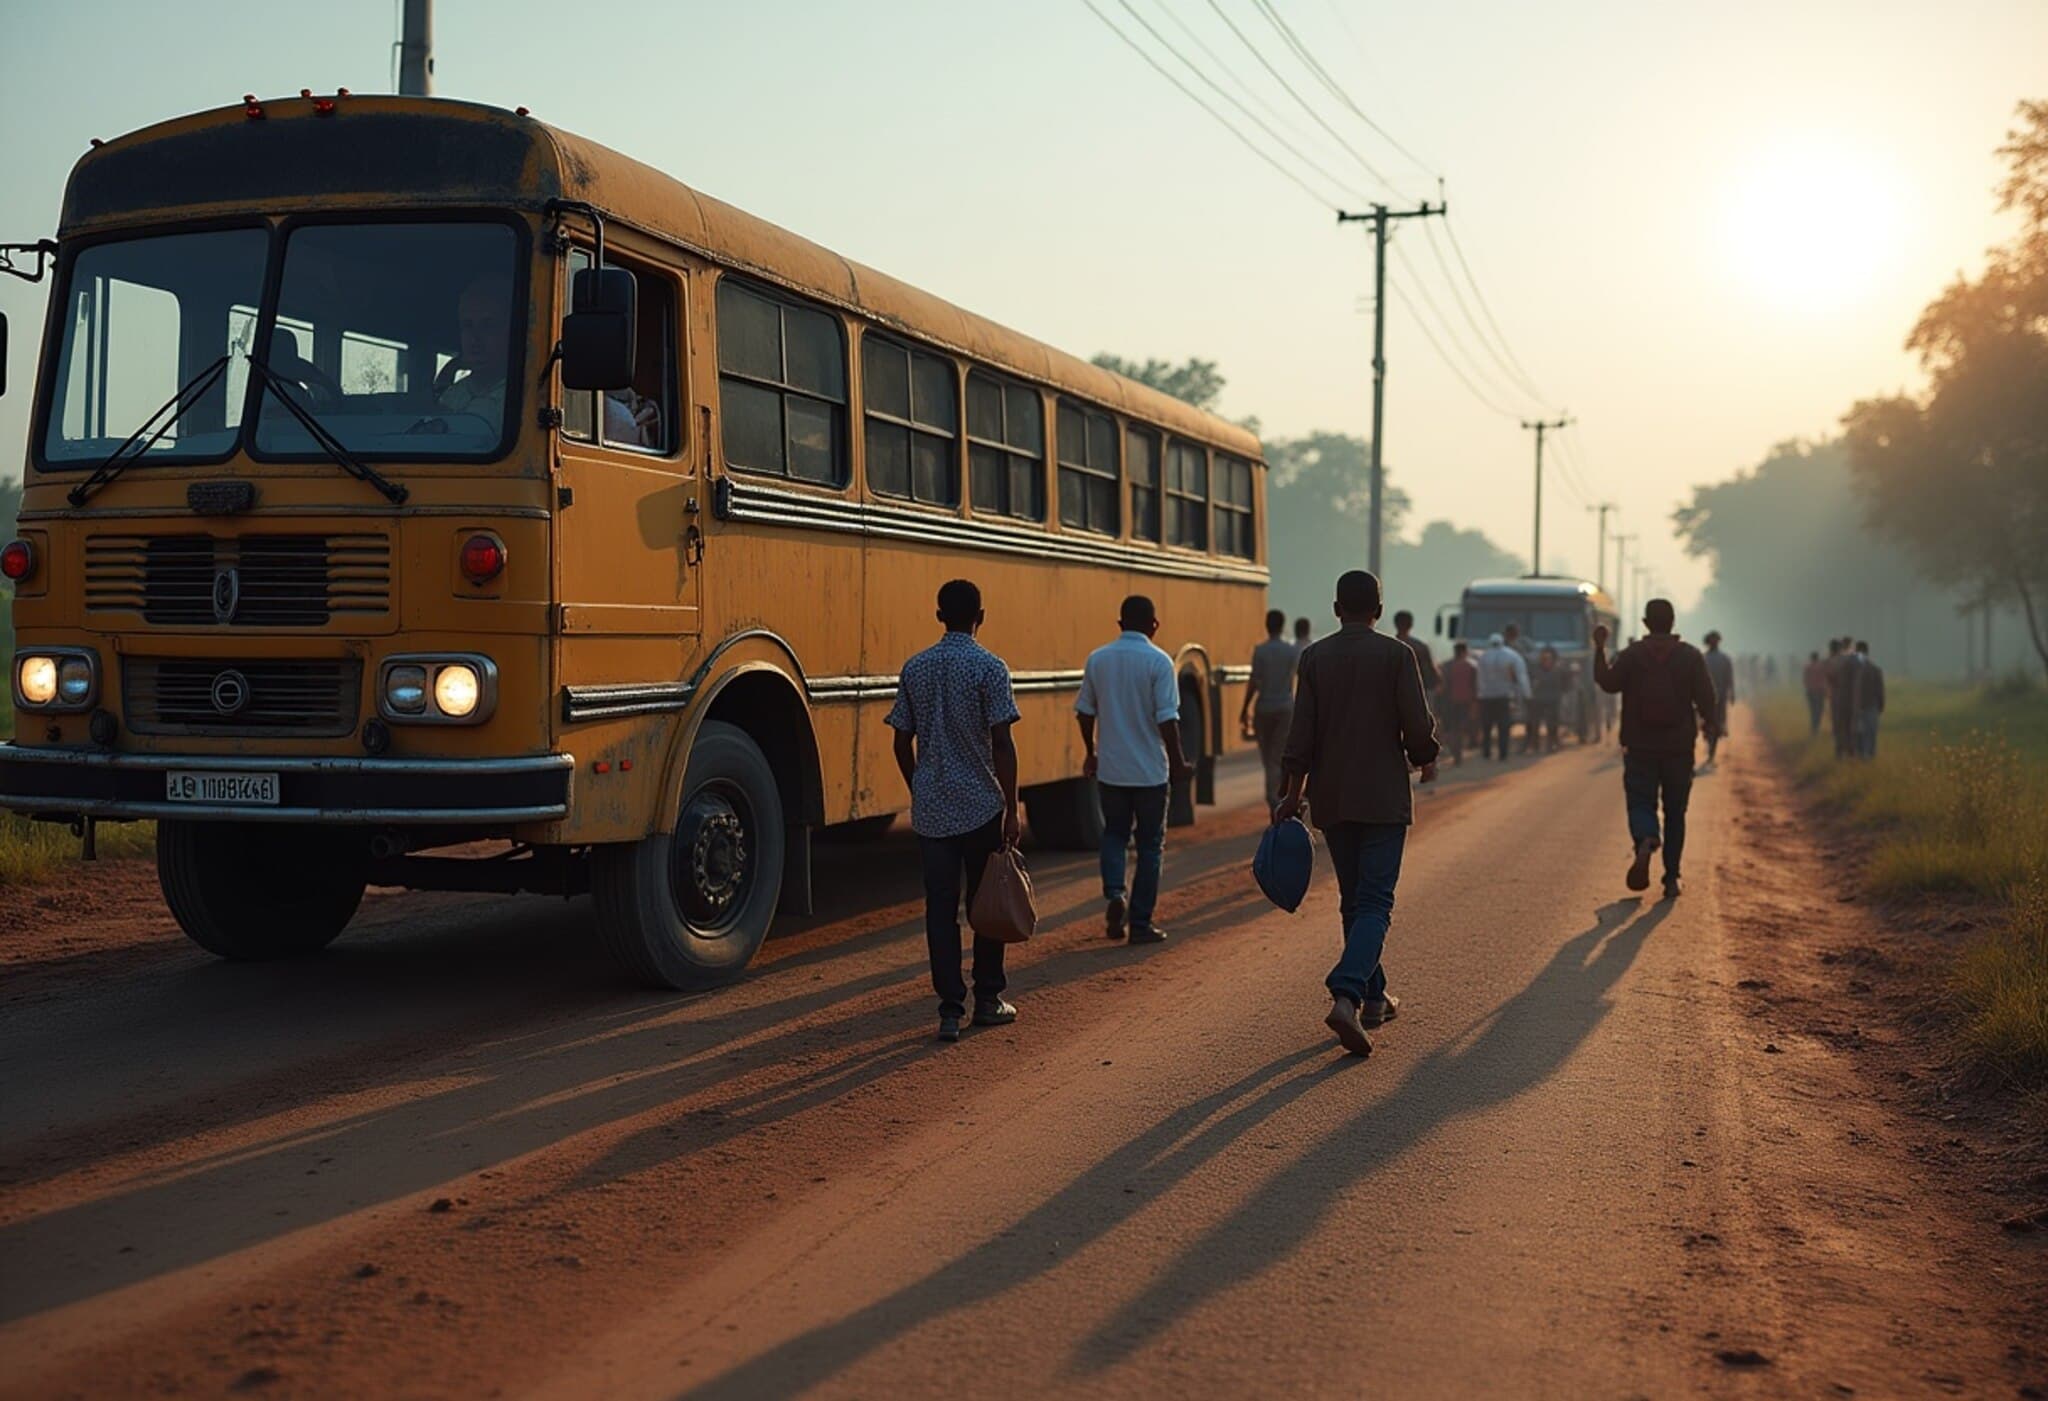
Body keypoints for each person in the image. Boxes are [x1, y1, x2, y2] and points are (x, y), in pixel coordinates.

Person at [1275, 569, 1439, 1057]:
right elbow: (1415, 724)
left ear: (1336, 609)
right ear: (1379, 611)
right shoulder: (1396, 655)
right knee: (1375, 903)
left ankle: (1373, 996)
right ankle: (1346, 992)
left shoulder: (1315, 657)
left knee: (1354, 900)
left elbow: (1300, 735)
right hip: (1384, 797)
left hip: (1334, 797)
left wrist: (1291, 793)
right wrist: (1427, 756)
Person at [886, 580, 1022, 1042]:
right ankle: (987, 999)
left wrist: (918, 784)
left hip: (933, 810)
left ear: (939, 615)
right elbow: (1002, 742)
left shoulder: (915, 667)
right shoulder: (991, 667)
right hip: (982, 805)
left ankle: (948, 1008)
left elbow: (901, 739)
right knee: (985, 906)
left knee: (939, 909)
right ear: (980, 615)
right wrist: (1011, 807)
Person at [1076, 595, 1192, 945]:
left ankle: (1115, 893)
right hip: (1150, 773)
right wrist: (1178, 762)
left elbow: (1084, 711)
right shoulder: (1159, 662)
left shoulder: (1098, 659)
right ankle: (1140, 923)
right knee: (1150, 846)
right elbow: (1167, 719)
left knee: (1114, 834)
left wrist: (1090, 751)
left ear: (1119, 623)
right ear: (1154, 625)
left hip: (1111, 769)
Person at [1592, 598, 1719, 900]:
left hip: (1639, 746)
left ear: (1646, 624)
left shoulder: (1633, 655)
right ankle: (1671, 878)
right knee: (1676, 811)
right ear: (1673, 622)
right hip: (1678, 747)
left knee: (1640, 802)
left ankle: (1646, 840)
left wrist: (1599, 649)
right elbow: (1707, 697)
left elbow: (1608, 682)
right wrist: (1710, 724)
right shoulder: (1690, 656)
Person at [435, 277, 511, 428]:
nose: (475, 338)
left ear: (509, 332)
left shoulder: (526, 398)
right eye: (467, 325)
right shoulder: (451, 398)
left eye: (488, 326)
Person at [1240, 609, 1298, 805]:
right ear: (1282, 626)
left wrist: (1244, 709)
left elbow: (1254, 682)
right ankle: (1280, 796)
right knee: (1279, 755)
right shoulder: (1291, 651)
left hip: (1264, 707)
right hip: (1285, 708)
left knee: (1268, 759)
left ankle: (1273, 799)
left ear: (1267, 626)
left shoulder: (1260, 651)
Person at [1475, 631, 1530, 761]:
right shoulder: (1511, 656)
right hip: (1503, 696)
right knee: (1503, 725)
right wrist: (1527, 694)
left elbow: (1479, 678)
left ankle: (1486, 752)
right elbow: (1521, 676)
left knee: (1487, 726)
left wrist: (1480, 693)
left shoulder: (1483, 657)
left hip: (1486, 697)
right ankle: (1503, 753)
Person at [1443, 640, 1479, 766]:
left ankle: (1456, 753)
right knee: (1466, 728)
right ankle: (1462, 752)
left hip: (1450, 702)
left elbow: (1443, 686)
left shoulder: (1446, 666)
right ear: (1465, 651)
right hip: (1467, 702)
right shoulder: (1472, 666)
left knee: (1454, 729)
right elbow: (1475, 686)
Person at [1701, 631, 1735, 764]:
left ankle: (1712, 750)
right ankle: (1710, 747)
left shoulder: (1723, 659)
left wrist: (1732, 693)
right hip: (1707, 697)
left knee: (1716, 723)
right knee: (1709, 723)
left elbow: (1729, 678)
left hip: (1719, 696)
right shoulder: (1703, 658)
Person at [1527, 646, 1566, 753]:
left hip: (1553, 700)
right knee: (1535, 724)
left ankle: (1552, 744)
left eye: (1548, 659)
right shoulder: (1535, 671)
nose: (1546, 662)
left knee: (1553, 724)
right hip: (1538, 700)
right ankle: (1535, 745)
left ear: (1552, 660)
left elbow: (1564, 683)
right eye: (1544, 659)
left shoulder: (1557, 670)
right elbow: (1530, 684)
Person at [1828, 637, 1861, 760]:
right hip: (1851, 698)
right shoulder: (1854, 659)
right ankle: (1851, 751)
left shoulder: (1834, 661)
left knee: (1838, 726)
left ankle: (1839, 751)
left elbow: (1830, 679)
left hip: (1838, 698)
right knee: (1850, 726)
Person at [1392, 610, 1440, 694]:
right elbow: (1431, 669)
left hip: (1392, 690)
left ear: (1395, 624)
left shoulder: (1388, 645)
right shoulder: (1420, 646)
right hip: (1417, 690)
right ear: (1411, 624)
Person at [1853, 640, 1886, 758]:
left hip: (1856, 707)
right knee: (1871, 733)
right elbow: (1880, 690)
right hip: (1872, 706)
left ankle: (1861, 755)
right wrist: (1881, 705)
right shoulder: (1875, 669)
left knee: (1859, 733)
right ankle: (1869, 757)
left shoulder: (1851, 669)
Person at [1802, 650, 1828, 736]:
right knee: (1819, 711)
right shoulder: (1822, 667)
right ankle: (1816, 728)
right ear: (1817, 658)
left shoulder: (1807, 667)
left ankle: (1814, 728)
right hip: (1819, 692)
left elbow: (1805, 680)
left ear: (1811, 658)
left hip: (1810, 692)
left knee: (1813, 711)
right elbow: (1824, 680)